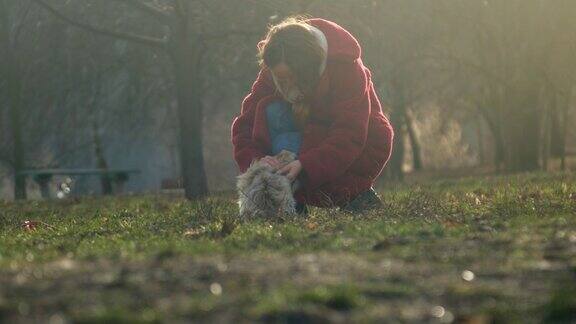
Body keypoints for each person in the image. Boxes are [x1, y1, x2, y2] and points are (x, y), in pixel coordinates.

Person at [231, 16, 394, 214]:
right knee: (271, 110)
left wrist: (306, 165)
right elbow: (245, 125)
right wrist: (256, 160)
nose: (286, 84)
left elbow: (349, 134)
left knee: (345, 183)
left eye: (291, 77)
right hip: (307, 135)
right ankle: (287, 197)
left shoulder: (347, 69)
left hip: (362, 146)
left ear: (307, 69)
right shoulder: (275, 66)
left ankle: (357, 197)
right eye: (281, 78)